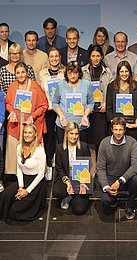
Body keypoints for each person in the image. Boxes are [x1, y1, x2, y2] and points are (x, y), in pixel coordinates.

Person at [0, 124, 47, 221]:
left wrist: (27, 191)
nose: (27, 135)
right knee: (4, 196)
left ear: (35, 134)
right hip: (23, 180)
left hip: (36, 184)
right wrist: (20, 187)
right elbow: (18, 168)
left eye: (30, 133)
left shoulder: (40, 151)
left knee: (15, 210)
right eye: (25, 132)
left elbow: (41, 174)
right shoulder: (19, 147)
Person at [5, 62, 48, 175]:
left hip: (30, 126)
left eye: (23, 72)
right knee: (15, 156)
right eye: (18, 73)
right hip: (16, 126)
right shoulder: (13, 86)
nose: (20, 75)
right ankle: (16, 177)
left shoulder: (34, 86)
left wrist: (33, 117)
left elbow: (44, 105)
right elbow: (8, 103)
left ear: (27, 72)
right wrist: (12, 112)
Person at [98, 116, 137, 220]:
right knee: (106, 201)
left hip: (126, 178)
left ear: (125, 130)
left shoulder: (132, 142)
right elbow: (100, 169)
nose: (118, 132)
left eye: (121, 129)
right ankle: (114, 199)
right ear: (112, 130)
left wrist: (120, 181)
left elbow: (136, 166)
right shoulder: (104, 143)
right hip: (110, 177)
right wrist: (106, 187)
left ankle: (130, 204)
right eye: (116, 129)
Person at [82, 45, 113, 164]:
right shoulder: (83, 71)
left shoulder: (108, 72)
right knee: (90, 141)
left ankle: (101, 166)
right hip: (88, 112)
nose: (95, 59)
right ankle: (93, 167)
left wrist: (106, 103)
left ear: (101, 57)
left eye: (98, 56)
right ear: (89, 57)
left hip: (101, 111)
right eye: (93, 56)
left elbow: (111, 91)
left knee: (101, 140)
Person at [39, 47, 65, 181]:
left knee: (62, 138)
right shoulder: (42, 74)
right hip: (48, 110)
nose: (54, 59)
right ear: (48, 58)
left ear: (60, 57)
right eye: (51, 56)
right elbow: (40, 92)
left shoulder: (65, 72)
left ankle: (62, 166)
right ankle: (48, 165)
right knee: (48, 138)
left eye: (56, 56)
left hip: (62, 110)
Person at [53, 122, 91, 215]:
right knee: (58, 192)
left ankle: (74, 196)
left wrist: (82, 182)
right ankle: (67, 195)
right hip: (66, 177)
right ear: (66, 134)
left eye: (76, 133)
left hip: (80, 179)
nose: (74, 136)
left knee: (79, 210)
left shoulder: (84, 147)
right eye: (71, 133)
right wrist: (67, 182)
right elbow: (59, 168)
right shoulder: (59, 148)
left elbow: (87, 166)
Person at [52, 63, 94, 144]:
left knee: (81, 153)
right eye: (70, 73)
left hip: (81, 125)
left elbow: (90, 102)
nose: (72, 76)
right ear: (66, 74)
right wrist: (61, 115)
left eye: (75, 73)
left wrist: (86, 115)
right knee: (63, 152)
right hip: (63, 125)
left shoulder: (86, 84)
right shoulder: (61, 84)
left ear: (79, 73)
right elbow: (55, 103)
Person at [106, 61, 137, 146]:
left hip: (132, 126)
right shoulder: (111, 86)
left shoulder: (136, 86)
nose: (124, 74)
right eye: (122, 71)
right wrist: (116, 124)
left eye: (126, 71)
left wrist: (136, 123)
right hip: (117, 128)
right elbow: (109, 108)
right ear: (118, 73)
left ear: (130, 72)